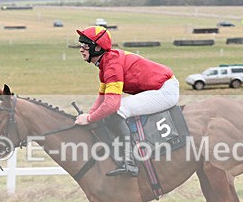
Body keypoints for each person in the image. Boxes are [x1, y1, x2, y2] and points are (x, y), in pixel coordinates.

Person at [74, 26, 179, 177]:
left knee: (118, 110)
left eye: (85, 45)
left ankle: (129, 163)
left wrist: (90, 118)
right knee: (112, 110)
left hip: (165, 91)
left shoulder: (111, 65)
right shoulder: (106, 65)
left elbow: (112, 105)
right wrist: (88, 116)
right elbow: (102, 98)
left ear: (97, 48)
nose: (81, 49)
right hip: (158, 88)